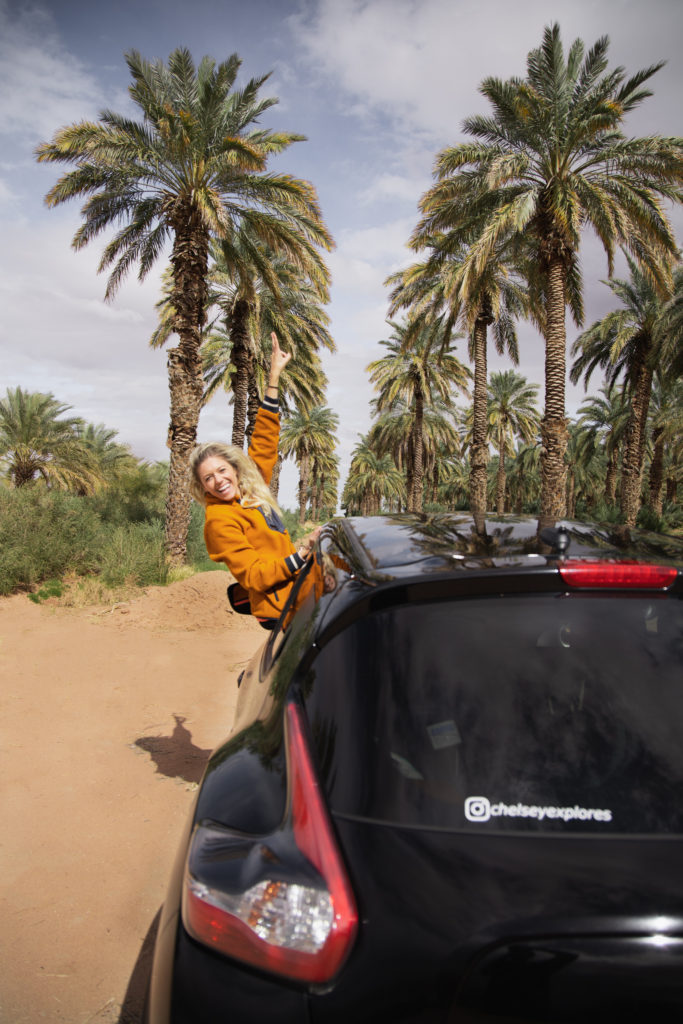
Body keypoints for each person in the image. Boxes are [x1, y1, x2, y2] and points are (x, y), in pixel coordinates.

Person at [189, 333, 320, 628]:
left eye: (222, 471)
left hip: (299, 594)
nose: (218, 480)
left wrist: (274, 378)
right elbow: (253, 575)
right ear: (202, 487)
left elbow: (264, 441)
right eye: (208, 478)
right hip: (279, 608)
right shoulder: (219, 521)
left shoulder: (251, 488)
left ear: (235, 469)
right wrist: (302, 554)